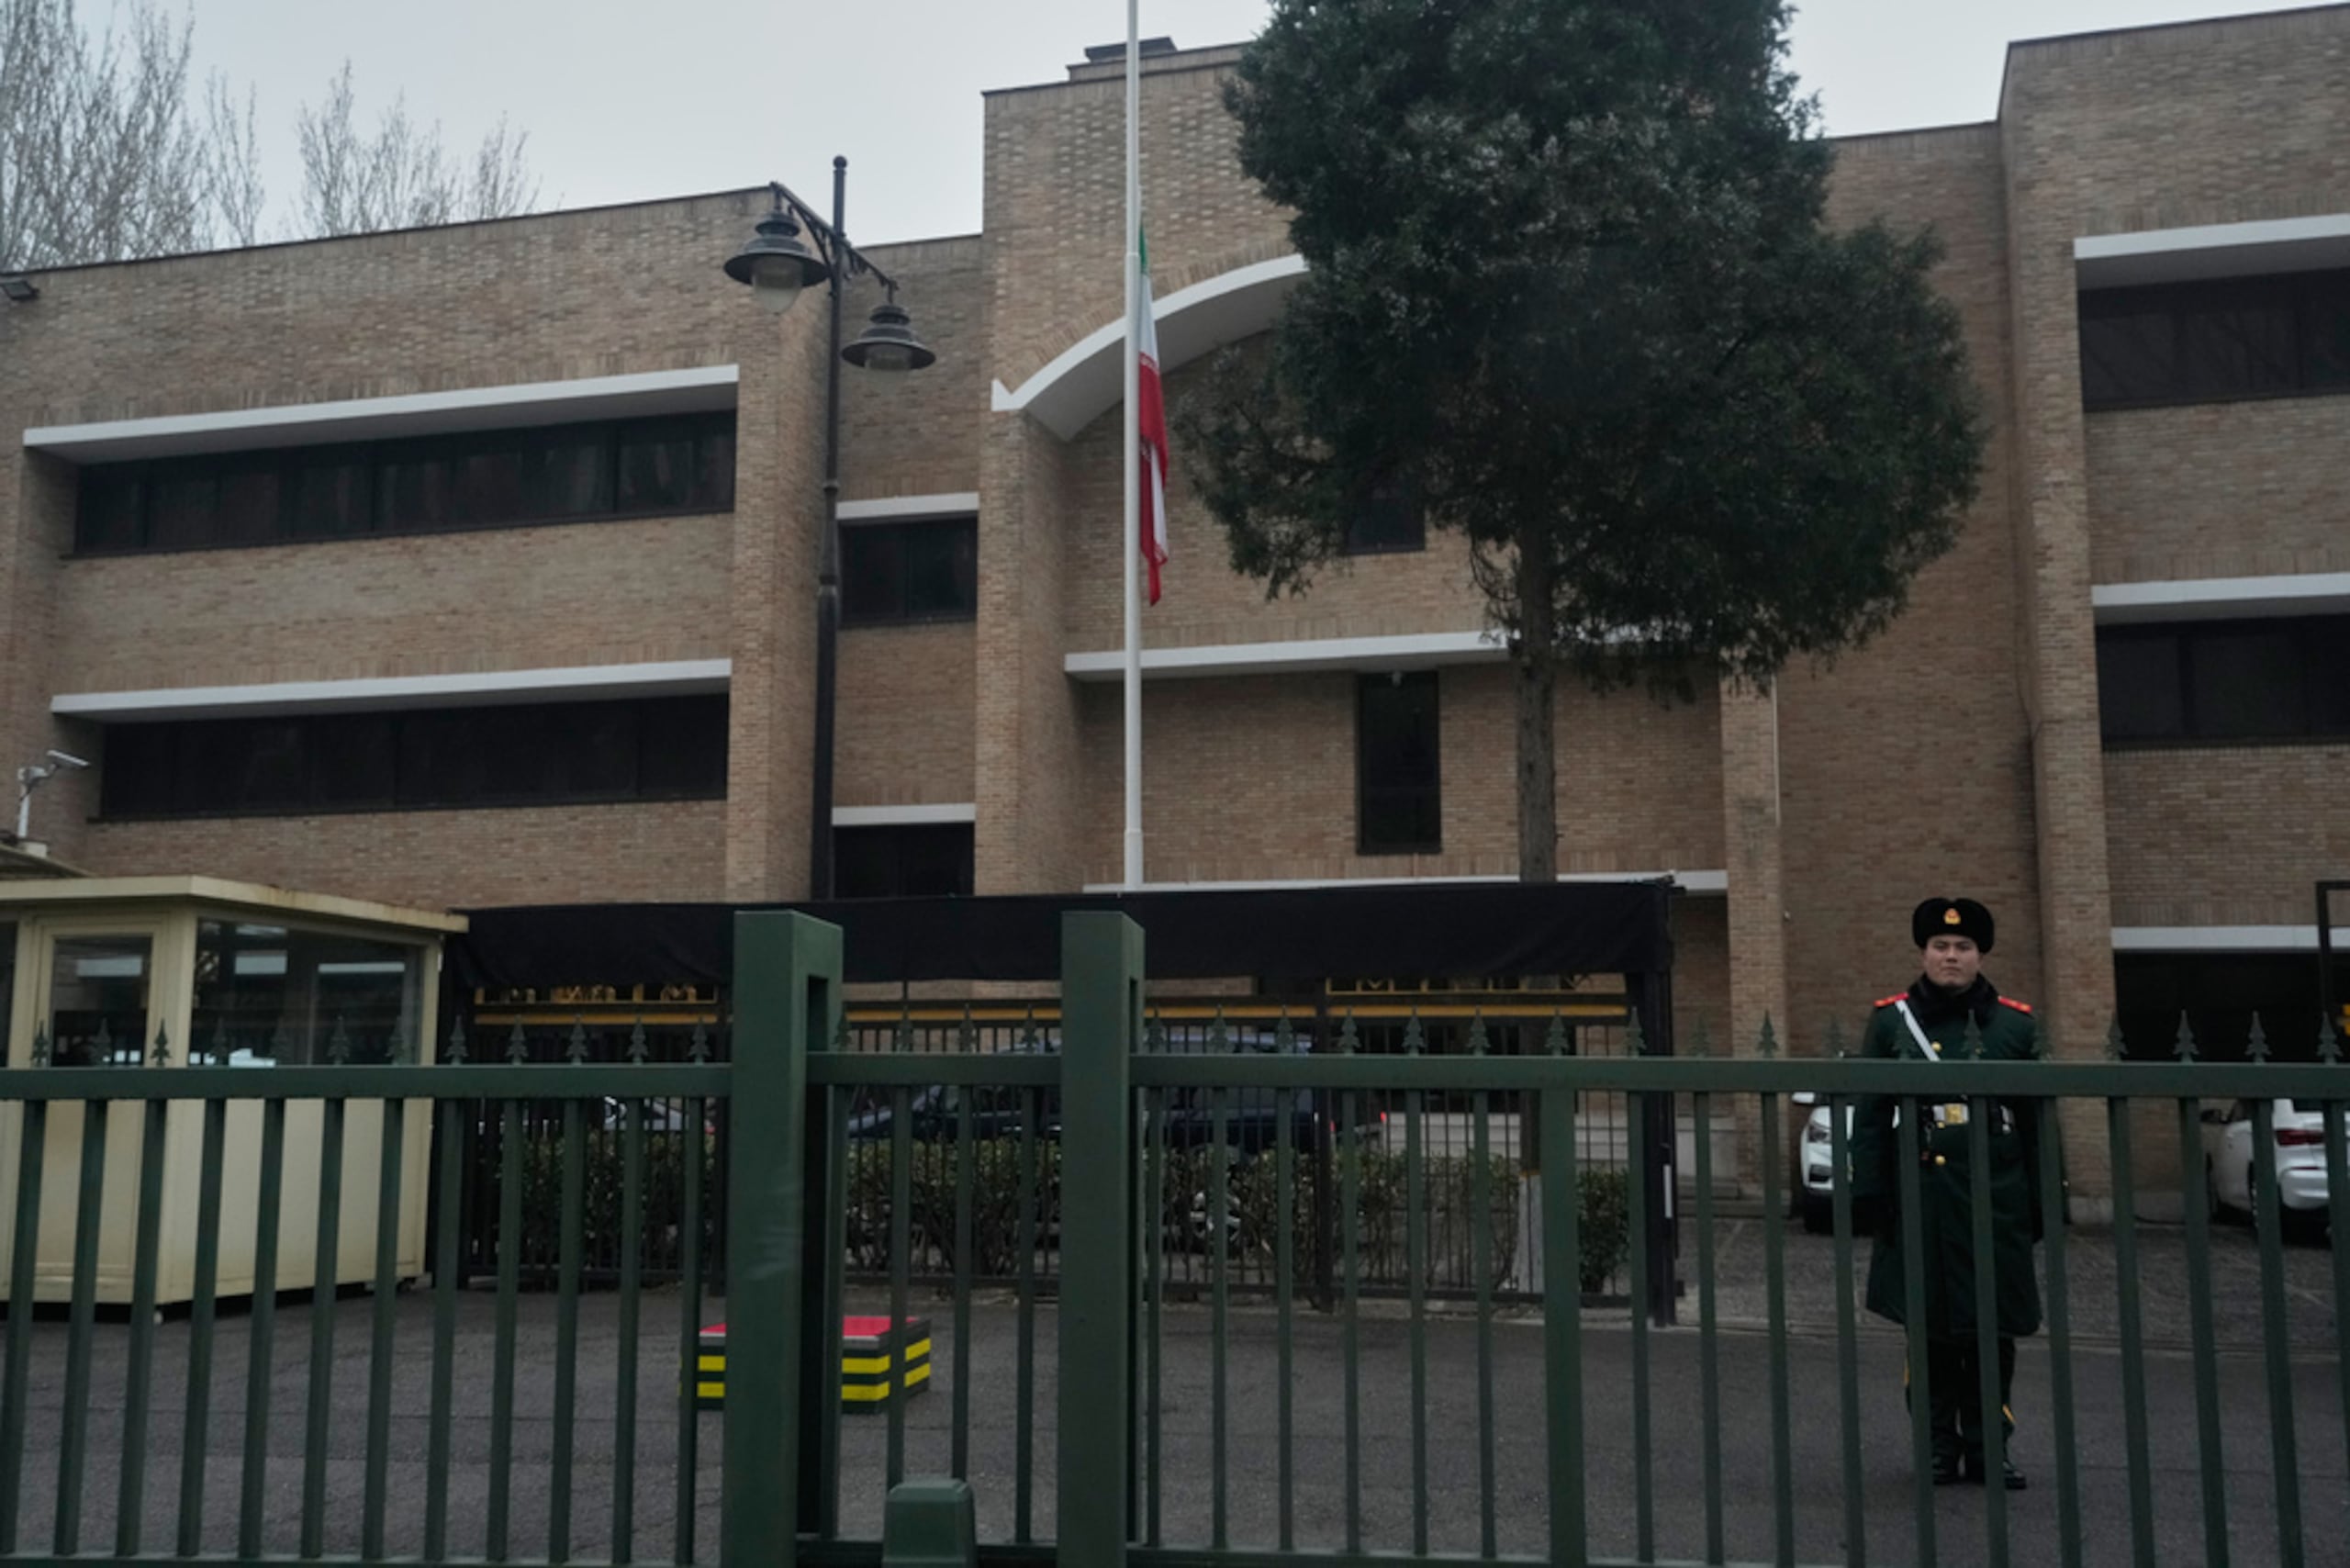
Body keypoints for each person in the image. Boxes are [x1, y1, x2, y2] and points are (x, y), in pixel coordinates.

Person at [1849, 896, 2042, 1490]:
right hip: (1923, 1199)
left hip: (1994, 1198)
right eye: (1940, 946)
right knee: (1929, 1333)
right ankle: (1937, 1448)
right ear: (1923, 952)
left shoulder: (2015, 1025)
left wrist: (2040, 1205)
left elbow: (2036, 1124)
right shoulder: (1891, 1021)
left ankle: (1990, 1448)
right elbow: (1873, 1116)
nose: (1950, 956)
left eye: (1962, 948)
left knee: (1992, 1332)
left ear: (1979, 955)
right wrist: (1871, 1196)